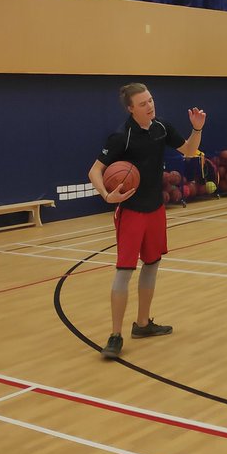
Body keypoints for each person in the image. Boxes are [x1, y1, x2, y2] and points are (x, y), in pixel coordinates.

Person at [88, 83, 207, 360]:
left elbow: (189, 151)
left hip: (156, 208)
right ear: (131, 108)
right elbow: (95, 170)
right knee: (124, 271)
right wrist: (107, 195)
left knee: (152, 265)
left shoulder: (161, 127)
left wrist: (197, 129)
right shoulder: (121, 137)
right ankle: (115, 335)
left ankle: (142, 324)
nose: (150, 106)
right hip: (131, 211)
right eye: (142, 104)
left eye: (151, 100)